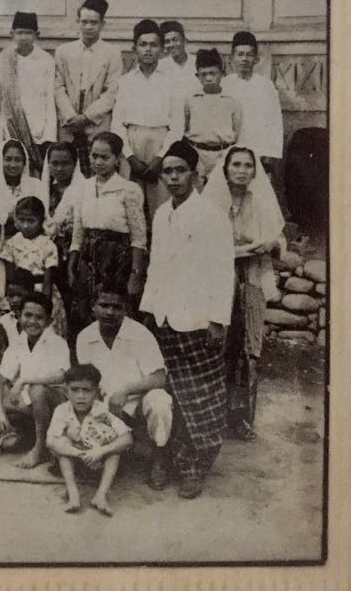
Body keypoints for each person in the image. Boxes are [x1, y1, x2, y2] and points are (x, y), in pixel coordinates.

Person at [140, 140, 235, 498]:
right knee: (168, 395)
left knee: (200, 397)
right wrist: (149, 310)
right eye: (168, 171)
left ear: (195, 174)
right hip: (165, 318)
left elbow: (223, 271)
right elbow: (155, 266)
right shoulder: (162, 213)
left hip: (197, 319)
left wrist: (216, 320)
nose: (174, 177)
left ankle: (196, 467)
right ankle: (163, 458)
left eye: (181, 171)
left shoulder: (211, 215)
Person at [203, 146, 284, 441]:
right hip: (219, 280)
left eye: (248, 165)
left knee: (248, 347)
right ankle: (211, 413)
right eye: (236, 164)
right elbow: (207, 247)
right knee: (218, 344)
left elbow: (278, 239)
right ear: (225, 170)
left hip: (251, 278)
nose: (242, 170)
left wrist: (270, 244)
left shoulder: (260, 202)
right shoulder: (211, 204)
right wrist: (246, 248)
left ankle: (240, 418)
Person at [75, 284, 173, 489]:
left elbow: (159, 378)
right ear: (93, 306)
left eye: (116, 307)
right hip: (103, 403)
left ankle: (159, 458)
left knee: (160, 401)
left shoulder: (140, 334)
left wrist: (125, 391)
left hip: (137, 401)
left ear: (126, 308)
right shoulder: (85, 337)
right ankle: (116, 453)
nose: (110, 312)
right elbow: (85, 378)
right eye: (104, 305)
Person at [68, 131, 147, 330]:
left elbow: (138, 237)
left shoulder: (129, 189)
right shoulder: (83, 187)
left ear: (117, 159)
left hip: (117, 260)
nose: (98, 162)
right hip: (88, 261)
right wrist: (72, 264)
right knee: (87, 313)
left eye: (105, 157)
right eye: (94, 156)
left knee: (114, 313)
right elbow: (78, 232)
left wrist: (135, 275)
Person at [112, 19, 182, 217]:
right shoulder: (125, 82)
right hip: (131, 145)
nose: (148, 50)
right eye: (143, 44)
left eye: (153, 45)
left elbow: (177, 126)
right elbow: (118, 124)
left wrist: (160, 157)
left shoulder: (171, 82)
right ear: (134, 48)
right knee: (131, 206)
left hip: (162, 145)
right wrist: (130, 157)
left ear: (161, 49)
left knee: (161, 205)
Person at [46, 363, 134, 516]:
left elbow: (127, 438)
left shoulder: (103, 410)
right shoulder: (61, 410)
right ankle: (73, 494)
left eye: (87, 390)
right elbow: (51, 441)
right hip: (74, 459)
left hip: (99, 461)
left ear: (97, 392)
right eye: (74, 390)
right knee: (62, 444)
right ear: (66, 392)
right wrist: (80, 454)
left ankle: (100, 496)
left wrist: (101, 451)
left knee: (114, 452)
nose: (80, 396)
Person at [0, 292, 70, 468]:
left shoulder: (56, 342)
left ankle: (40, 448)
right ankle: (25, 435)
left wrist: (24, 380)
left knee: (37, 389)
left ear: (49, 321)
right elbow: (1, 380)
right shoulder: (17, 344)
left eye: (39, 317)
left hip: (55, 402)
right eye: (28, 315)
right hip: (29, 402)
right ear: (19, 316)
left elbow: (62, 375)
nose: (32, 321)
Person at [54, 0, 122, 175]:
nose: (88, 27)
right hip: (69, 126)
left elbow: (112, 92)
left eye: (94, 22)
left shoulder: (112, 53)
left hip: (96, 124)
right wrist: (71, 117)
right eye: (84, 22)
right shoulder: (63, 51)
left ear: (102, 24)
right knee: (67, 173)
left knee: (97, 172)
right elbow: (58, 87)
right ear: (78, 22)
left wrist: (86, 117)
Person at [0, 12, 58, 174]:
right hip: (11, 129)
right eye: (19, 33)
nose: (23, 37)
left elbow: (50, 101)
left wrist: (49, 137)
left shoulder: (46, 61)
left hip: (38, 132)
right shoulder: (5, 58)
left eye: (28, 33)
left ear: (36, 35)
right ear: (12, 34)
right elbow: (2, 98)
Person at [1, 196, 66, 337]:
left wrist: (44, 303)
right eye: (21, 220)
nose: (25, 225)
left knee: (44, 331)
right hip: (20, 291)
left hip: (41, 290)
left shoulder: (48, 244)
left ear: (41, 221)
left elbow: (48, 279)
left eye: (30, 221)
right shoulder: (11, 243)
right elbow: (10, 276)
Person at [223, 31, 284, 169]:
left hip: (259, 152)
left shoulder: (266, 86)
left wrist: (269, 155)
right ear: (232, 58)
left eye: (249, 55)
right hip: (231, 153)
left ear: (256, 59)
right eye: (240, 54)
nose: (244, 59)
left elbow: (275, 123)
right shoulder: (224, 85)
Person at [183, 48, 243, 186]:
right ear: (197, 76)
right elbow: (184, 128)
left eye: (212, 73)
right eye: (203, 74)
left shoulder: (232, 100)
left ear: (222, 74)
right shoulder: (190, 99)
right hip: (197, 155)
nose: (208, 78)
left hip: (222, 155)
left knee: (219, 195)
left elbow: (237, 132)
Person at [41, 143, 84, 310]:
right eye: (55, 163)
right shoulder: (43, 191)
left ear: (75, 164)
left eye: (65, 163)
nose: (59, 168)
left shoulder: (82, 189)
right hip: (46, 256)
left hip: (73, 255)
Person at [0, 139, 45, 228]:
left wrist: (6, 216)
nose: (12, 165)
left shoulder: (36, 185)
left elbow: (40, 216)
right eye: (8, 159)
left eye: (18, 160)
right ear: (1, 161)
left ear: (24, 162)